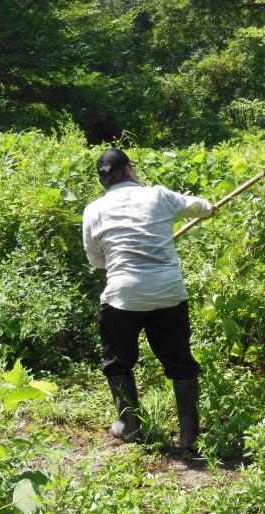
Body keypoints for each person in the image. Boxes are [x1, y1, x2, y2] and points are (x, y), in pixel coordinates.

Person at [82, 148, 213, 450]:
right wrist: (207, 208)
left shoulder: (93, 210)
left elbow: (96, 260)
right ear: (129, 170)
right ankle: (189, 437)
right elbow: (199, 207)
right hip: (168, 293)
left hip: (122, 296)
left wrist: (120, 258)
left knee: (117, 362)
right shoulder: (157, 196)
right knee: (180, 362)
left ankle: (129, 427)